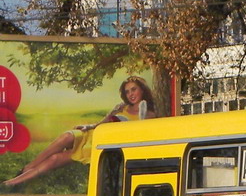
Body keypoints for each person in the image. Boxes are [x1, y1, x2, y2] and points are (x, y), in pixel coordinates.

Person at [4, 76, 157, 187]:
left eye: (134, 89)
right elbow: (102, 123)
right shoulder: (121, 107)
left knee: (55, 159)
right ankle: (28, 167)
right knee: (65, 136)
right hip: (93, 134)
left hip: (100, 145)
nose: (131, 94)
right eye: (127, 91)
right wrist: (88, 126)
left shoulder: (149, 115)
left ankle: (14, 182)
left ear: (142, 90)